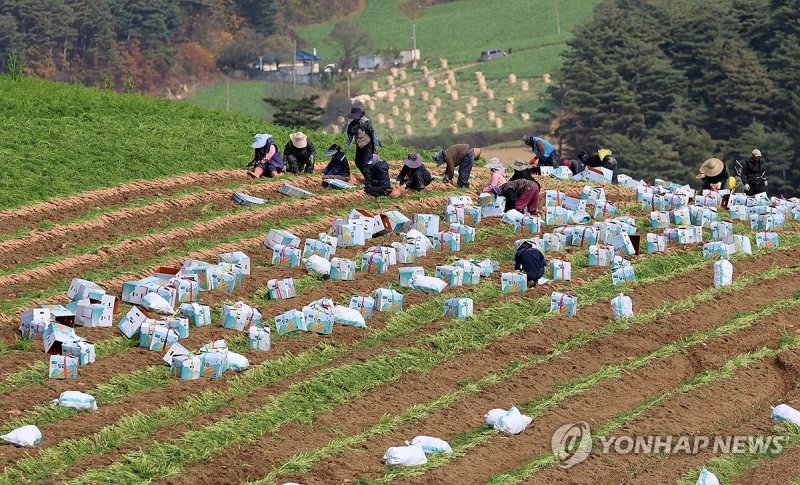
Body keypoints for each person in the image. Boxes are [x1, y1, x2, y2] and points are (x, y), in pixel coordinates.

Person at [344, 106, 380, 184]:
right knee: (358, 162)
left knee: (366, 163)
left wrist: (376, 146)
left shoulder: (366, 122)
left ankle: (370, 181)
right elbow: (350, 136)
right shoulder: (352, 124)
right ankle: (368, 177)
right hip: (359, 145)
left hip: (368, 145)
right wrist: (346, 146)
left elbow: (373, 133)